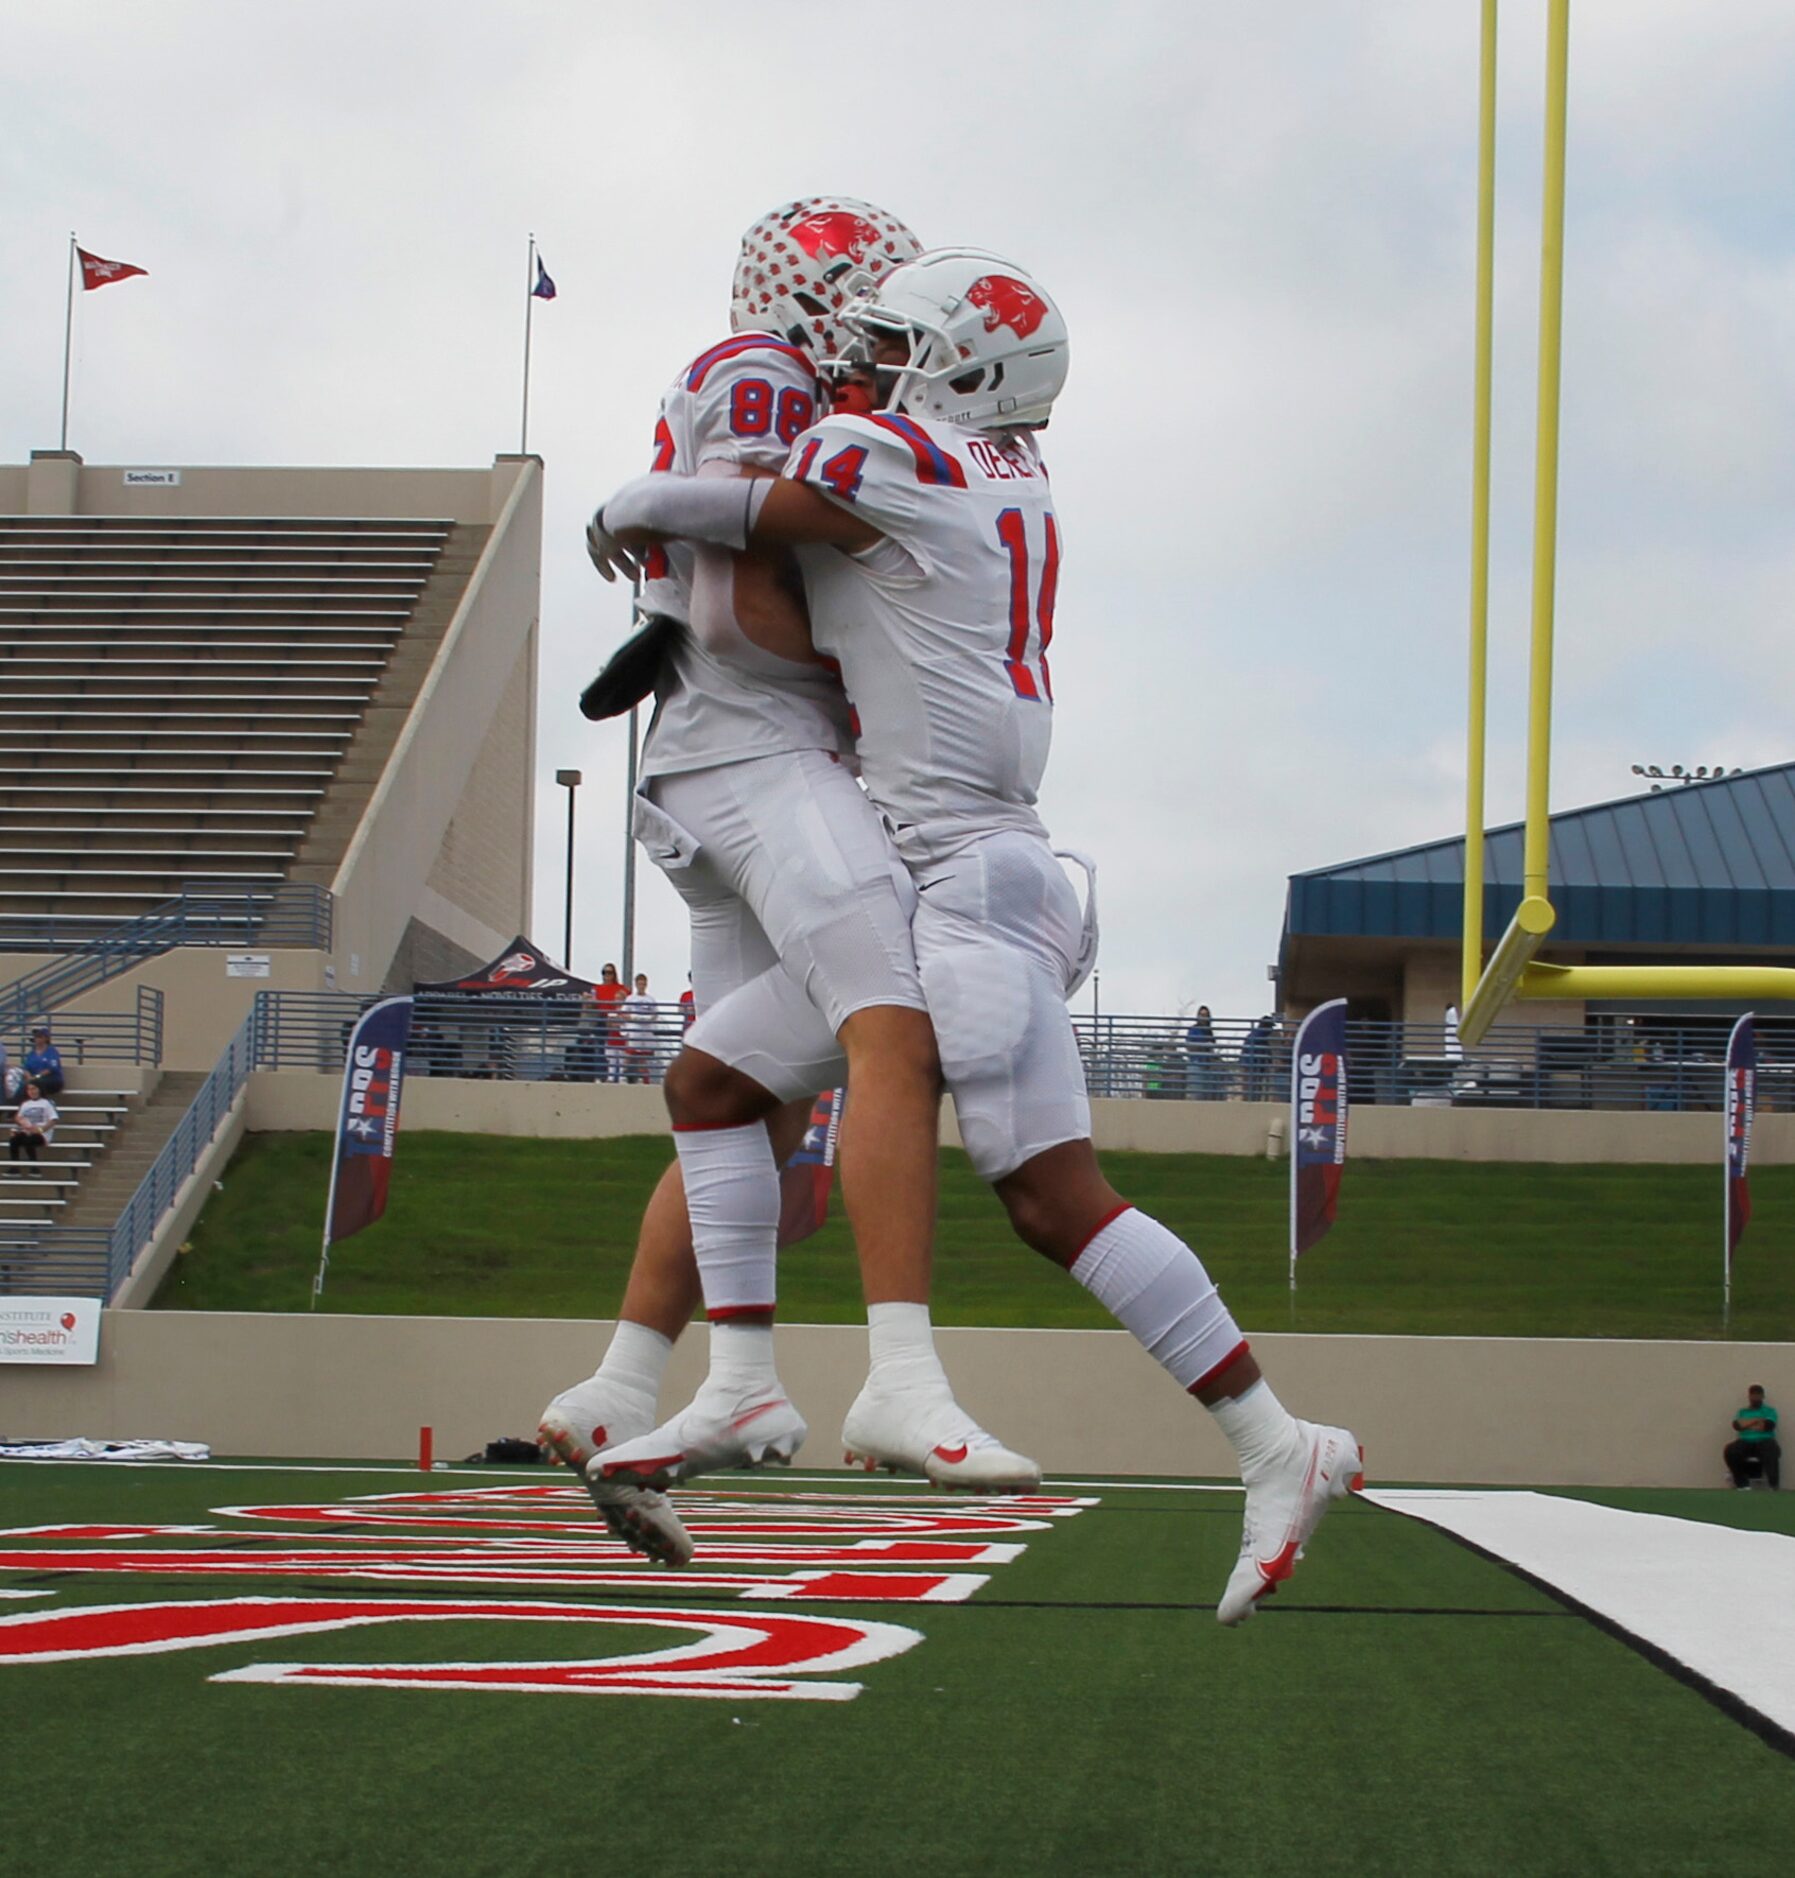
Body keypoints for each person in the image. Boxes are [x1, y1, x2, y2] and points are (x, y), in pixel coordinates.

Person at [594, 247, 1362, 1623]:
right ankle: (744, 1378)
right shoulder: (994, 469)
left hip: (966, 878)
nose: (867, 360)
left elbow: (739, 533)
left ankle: (1267, 1440)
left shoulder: (891, 455)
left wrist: (635, 500)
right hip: (950, 869)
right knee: (711, 1079)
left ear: (965, 365)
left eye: (898, 342)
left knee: (1051, 1195)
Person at [540, 200, 1034, 1565]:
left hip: (715, 760)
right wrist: (861, 663)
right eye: (867, 299)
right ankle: (899, 1378)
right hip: (760, 747)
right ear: (816, 291)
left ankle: (633, 1386)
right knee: (898, 1021)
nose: (884, 329)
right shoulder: (765, 374)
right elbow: (736, 593)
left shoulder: (818, 399)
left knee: (734, 1095)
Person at [1724, 1384, 1780, 1489]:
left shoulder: (1769, 1411)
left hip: (1764, 1441)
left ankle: (1773, 1485)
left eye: (1758, 1395)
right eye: (1753, 1395)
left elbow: (1768, 1425)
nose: (1755, 1398)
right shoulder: (1742, 1412)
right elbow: (1737, 1425)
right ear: (1749, 1397)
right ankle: (1742, 1484)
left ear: (1762, 1397)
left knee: (1772, 1449)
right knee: (1730, 1450)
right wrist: (1756, 1421)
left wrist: (1746, 1424)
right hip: (1745, 1441)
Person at [8, 1080, 57, 1174]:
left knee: (28, 1141)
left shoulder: (46, 1103)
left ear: (39, 1089)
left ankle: (34, 1168)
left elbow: (53, 1120)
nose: (31, 1091)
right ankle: (14, 1168)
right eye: (29, 1089)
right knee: (13, 1140)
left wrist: (40, 1129)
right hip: (27, 1131)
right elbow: (18, 1117)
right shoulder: (25, 1104)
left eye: (34, 1088)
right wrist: (19, 1124)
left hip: (42, 1133)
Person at [591, 963, 628, 1083]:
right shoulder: (597, 989)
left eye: (610, 972)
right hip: (602, 1019)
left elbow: (629, 1001)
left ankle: (620, 1076)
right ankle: (600, 1076)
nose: (607, 975)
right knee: (600, 1049)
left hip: (616, 1019)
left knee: (619, 1050)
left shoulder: (621, 988)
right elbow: (592, 1004)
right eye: (605, 972)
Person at [620, 973, 658, 1084]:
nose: (642, 985)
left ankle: (644, 1078)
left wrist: (647, 1019)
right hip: (634, 1030)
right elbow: (623, 1013)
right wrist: (634, 1018)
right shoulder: (630, 998)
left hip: (646, 1031)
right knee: (630, 1053)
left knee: (643, 1057)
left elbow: (655, 1014)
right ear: (636, 984)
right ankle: (623, 1075)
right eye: (639, 983)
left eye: (643, 983)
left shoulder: (650, 999)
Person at [1184, 1005, 1222, 1101]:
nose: (1203, 1018)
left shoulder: (1209, 1031)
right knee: (1198, 1095)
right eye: (1201, 1015)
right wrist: (1203, 1045)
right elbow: (1189, 1046)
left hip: (1208, 1065)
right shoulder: (1193, 1029)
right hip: (1196, 1063)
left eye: (1205, 1015)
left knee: (1207, 1096)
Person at [23, 1028, 63, 1100]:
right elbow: (26, 1068)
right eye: (36, 1037)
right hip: (34, 1080)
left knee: (38, 1084)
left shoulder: (51, 1051)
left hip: (52, 1080)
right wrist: (29, 1077)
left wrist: (36, 1077)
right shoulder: (31, 1053)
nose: (37, 1039)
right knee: (23, 1085)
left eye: (40, 1037)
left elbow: (52, 1068)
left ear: (46, 1038)